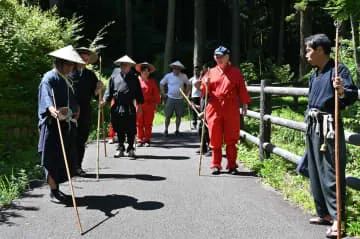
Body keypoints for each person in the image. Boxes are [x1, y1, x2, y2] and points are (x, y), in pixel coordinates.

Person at [304, 34, 358, 238]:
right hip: (313, 126)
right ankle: (324, 213)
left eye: (309, 50)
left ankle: (338, 220)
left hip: (329, 128)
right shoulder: (315, 73)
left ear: (320, 50)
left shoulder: (338, 70)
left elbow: (351, 96)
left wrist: (342, 90)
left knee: (330, 171)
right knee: (315, 171)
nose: (306, 55)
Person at [38, 45, 84, 203]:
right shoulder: (49, 78)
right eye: (68, 64)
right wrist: (52, 109)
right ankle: (54, 191)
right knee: (51, 158)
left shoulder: (66, 79)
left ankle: (57, 187)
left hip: (65, 125)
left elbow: (71, 100)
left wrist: (76, 110)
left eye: (73, 64)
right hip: (52, 125)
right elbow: (47, 100)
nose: (71, 67)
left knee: (62, 158)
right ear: (60, 63)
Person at [197, 46, 251, 175]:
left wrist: (244, 104)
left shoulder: (235, 72)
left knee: (231, 137)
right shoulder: (210, 72)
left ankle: (232, 165)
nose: (218, 58)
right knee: (214, 136)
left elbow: (242, 89)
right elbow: (204, 91)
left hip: (231, 106)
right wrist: (202, 84)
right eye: (216, 56)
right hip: (214, 106)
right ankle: (215, 165)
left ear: (228, 57)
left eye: (221, 56)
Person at [101, 55, 144, 158]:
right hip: (117, 106)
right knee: (118, 128)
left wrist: (140, 107)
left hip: (129, 106)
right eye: (122, 65)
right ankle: (120, 147)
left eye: (126, 65)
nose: (123, 66)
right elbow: (109, 90)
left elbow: (139, 94)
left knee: (130, 128)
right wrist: (104, 100)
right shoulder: (114, 76)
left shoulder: (134, 78)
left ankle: (130, 148)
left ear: (130, 66)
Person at [70, 47, 103, 176]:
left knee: (81, 138)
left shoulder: (90, 75)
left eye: (87, 56)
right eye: (82, 55)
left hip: (85, 110)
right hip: (70, 110)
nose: (84, 58)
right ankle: (68, 166)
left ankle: (78, 166)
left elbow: (95, 96)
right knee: (69, 137)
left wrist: (98, 89)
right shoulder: (69, 72)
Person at [160, 60, 191, 136]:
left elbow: (189, 84)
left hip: (180, 98)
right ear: (172, 68)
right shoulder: (168, 76)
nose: (176, 70)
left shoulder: (183, 76)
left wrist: (186, 93)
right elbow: (161, 83)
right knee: (168, 116)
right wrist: (163, 93)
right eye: (175, 68)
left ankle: (177, 130)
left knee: (179, 116)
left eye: (178, 68)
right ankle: (166, 130)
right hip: (170, 98)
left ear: (180, 69)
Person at [135, 62, 161, 147]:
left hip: (150, 105)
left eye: (147, 71)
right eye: (143, 71)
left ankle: (147, 139)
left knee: (148, 123)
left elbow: (156, 94)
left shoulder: (152, 82)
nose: (145, 72)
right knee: (139, 123)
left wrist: (156, 104)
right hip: (139, 105)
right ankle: (139, 139)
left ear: (149, 72)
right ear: (141, 72)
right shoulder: (136, 81)